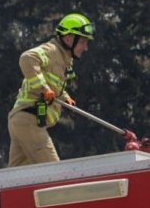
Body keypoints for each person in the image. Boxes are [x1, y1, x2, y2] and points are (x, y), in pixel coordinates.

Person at [7, 13, 94, 166]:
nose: (85, 48)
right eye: (82, 42)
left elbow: (52, 85)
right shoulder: (52, 50)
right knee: (55, 174)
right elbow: (27, 58)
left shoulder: (63, 60)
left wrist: (64, 97)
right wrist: (44, 88)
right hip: (29, 120)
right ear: (68, 38)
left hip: (21, 121)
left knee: (18, 181)